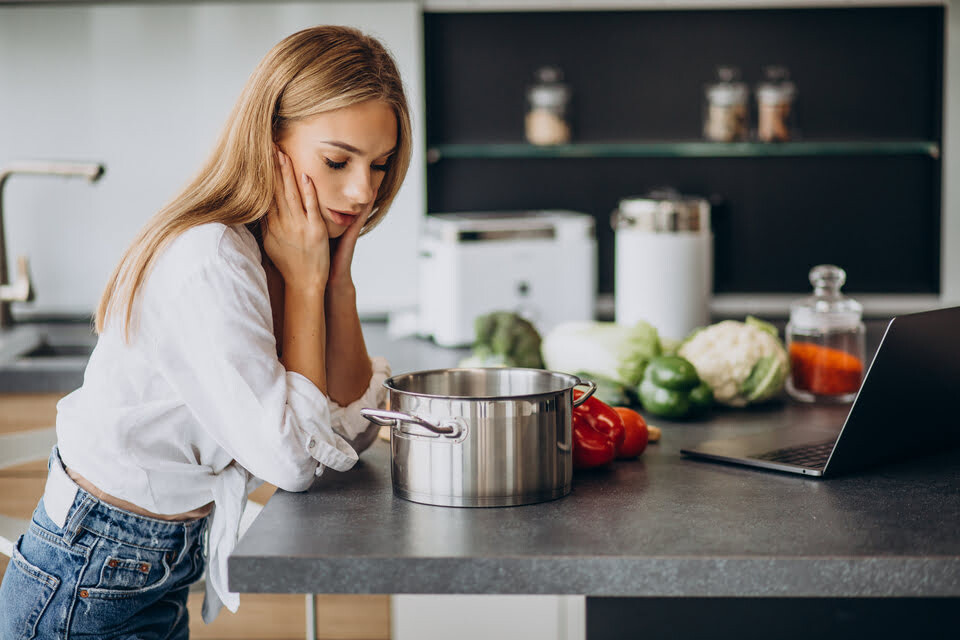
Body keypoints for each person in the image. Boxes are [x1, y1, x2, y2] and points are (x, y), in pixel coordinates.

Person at [0, 25, 411, 637]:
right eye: (336, 160)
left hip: (147, 566)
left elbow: (350, 436)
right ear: (270, 139)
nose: (362, 191)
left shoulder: (290, 253)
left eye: (378, 165)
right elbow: (296, 462)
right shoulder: (212, 258)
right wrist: (305, 287)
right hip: (89, 575)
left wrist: (335, 284)